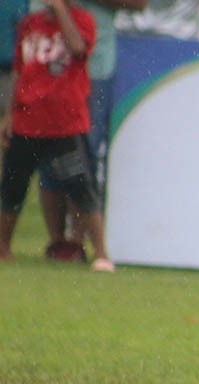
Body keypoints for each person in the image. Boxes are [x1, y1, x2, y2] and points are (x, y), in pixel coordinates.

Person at [0, 0, 113, 270]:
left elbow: (77, 49)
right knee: (13, 185)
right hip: (28, 120)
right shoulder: (30, 24)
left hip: (65, 122)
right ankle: (3, 246)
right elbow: (19, 69)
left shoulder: (82, 20)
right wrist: (9, 115)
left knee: (81, 185)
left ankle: (101, 252)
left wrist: (61, 11)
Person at [37, 0, 146, 262]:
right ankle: (58, 242)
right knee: (49, 157)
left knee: (82, 160)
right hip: (45, 70)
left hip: (91, 70)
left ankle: (81, 242)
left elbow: (139, 4)